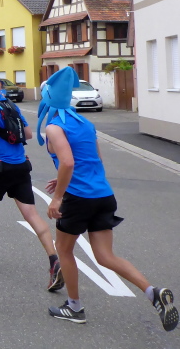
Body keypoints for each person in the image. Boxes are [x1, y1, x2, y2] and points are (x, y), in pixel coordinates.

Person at [37, 66, 177, 330]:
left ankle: (74, 307)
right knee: (105, 256)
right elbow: (94, 160)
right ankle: (152, 292)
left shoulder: (54, 127)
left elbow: (68, 162)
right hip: (103, 194)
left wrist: (57, 197)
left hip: (78, 199)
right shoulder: (85, 123)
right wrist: (63, 178)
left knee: (63, 250)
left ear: (48, 99)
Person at [0, 51, 63, 292]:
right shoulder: (7, 102)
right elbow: (27, 134)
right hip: (20, 165)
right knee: (31, 214)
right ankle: (54, 260)